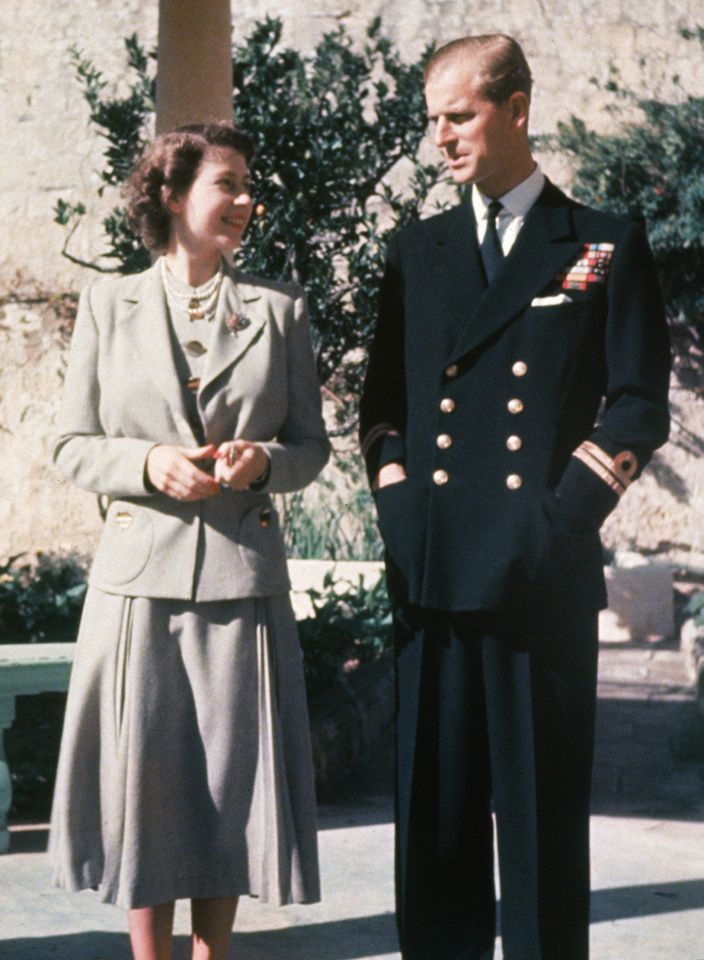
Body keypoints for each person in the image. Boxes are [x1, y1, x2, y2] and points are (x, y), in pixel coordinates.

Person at [359, 34, 670, 960]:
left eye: (458, 116)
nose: (441, 139)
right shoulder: (420, 249)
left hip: (539, 583)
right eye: (432, 121)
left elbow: (638, 402)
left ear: (517, 108)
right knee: (436, 834)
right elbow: (382, 408)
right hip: (436, 574)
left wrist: (557, 519)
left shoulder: (602, 243)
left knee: (540, 838)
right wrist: (402, 506)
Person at [49, 121, 330, 960]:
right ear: (172, 195)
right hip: (139, 584)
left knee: (226, 787)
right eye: (228, 185)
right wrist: (147, 462)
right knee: (147, 786)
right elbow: (70, 444)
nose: (247, 201)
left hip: (243, 583)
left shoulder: (280, 311)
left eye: (249, 186)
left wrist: (261, 462)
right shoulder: (109, 303)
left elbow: (312, 447)